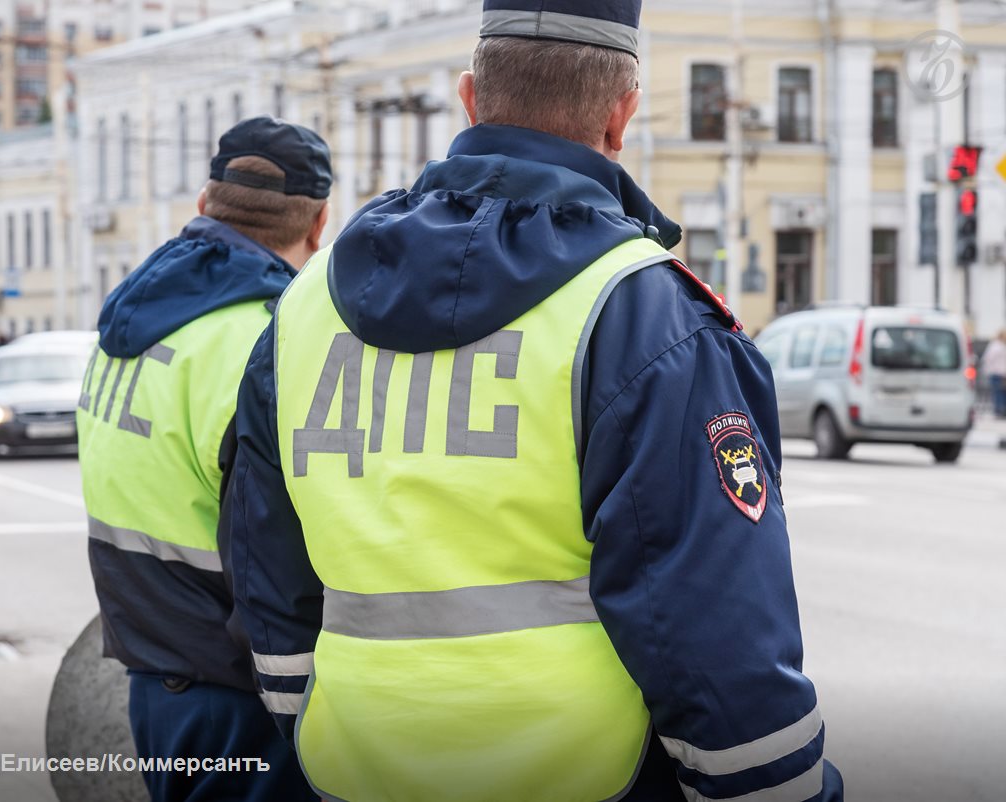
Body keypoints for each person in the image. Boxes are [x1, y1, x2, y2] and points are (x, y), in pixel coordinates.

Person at [224, 3, 844, 801]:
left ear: (470, 99)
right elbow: (714, 634)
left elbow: (266, 567)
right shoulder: (646, 319)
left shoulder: (305, 307)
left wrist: (309, 726)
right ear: (622, 118)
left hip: (351, 773)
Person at [76, 116, 330, 802]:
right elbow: (279, 543)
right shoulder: (269, 339)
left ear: (203, 202)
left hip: (156, 681)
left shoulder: (132, 317)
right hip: (245, 695)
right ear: (320, 223)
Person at [983, 329, 1006, 417]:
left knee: (1001, 393)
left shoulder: (1000, 346)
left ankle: (1001, 411)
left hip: (1001, 373)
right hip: (997, 373)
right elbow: (988, 359)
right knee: (998, 393)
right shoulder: (996, 346)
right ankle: (999, 411)